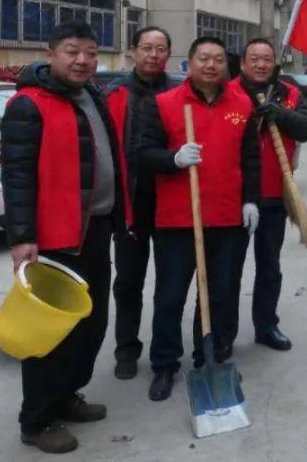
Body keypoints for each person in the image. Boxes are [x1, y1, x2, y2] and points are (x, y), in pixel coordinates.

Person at [1, 21, 126, 454]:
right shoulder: (27, 104)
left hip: (95, 229)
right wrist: (21, 238)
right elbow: (15, 176)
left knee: (91, 325)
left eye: (91, 52)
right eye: (72, 51)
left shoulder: (91, 95)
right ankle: (36, 420)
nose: (83, 60)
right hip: (54, 238)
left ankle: (67, 394)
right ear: (50, 53)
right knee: (51, 333)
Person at [138, 36, 260, 402]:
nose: (211, 65)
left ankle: (210, 355)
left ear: (227, 65)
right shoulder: (163, 104)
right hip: (178, 220)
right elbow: (142, 153)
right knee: (170, 296)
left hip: (227, 218)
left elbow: (251, 159)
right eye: (203, 58)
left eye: (218, 60)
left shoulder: (243, 103)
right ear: (188, 63)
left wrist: (250, 201)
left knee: (221, 294)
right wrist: (172, 159)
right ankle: (164, 364)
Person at [228, 38, 307, 352]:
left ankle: (266, 326)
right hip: (235, 198)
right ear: (242, 63)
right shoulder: (228, 93)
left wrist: (280, 114)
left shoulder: (289, 93)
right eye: (254, 59)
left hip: (276, 196)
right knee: (229, 269)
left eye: (266, 59)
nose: (261, 64)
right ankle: (224, 335)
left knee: (269, 266)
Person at [104, 26, 179, 381]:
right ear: (132, 51)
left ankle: (166, 353)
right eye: (146, 48)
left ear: (169, 54)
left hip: (171, 204)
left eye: (160, 49)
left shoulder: (180, 92)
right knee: (129, 281)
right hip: (130, 205)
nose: (153, 55)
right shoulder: (114, 94)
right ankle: (126, 349)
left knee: (170, 283)